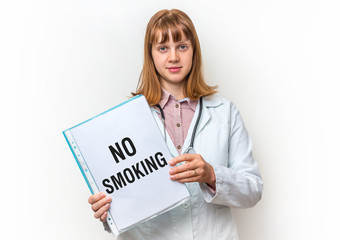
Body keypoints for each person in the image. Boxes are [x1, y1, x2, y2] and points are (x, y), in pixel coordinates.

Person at [88, 9, 263, 240]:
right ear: (150, 55)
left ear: (194, 52)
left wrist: (211, 175)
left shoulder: (225, 112)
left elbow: (253, 190)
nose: (173, 57)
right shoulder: (125, 119)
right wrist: (107, 212)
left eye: (182, 46)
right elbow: (122, 201)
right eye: (162, 48)